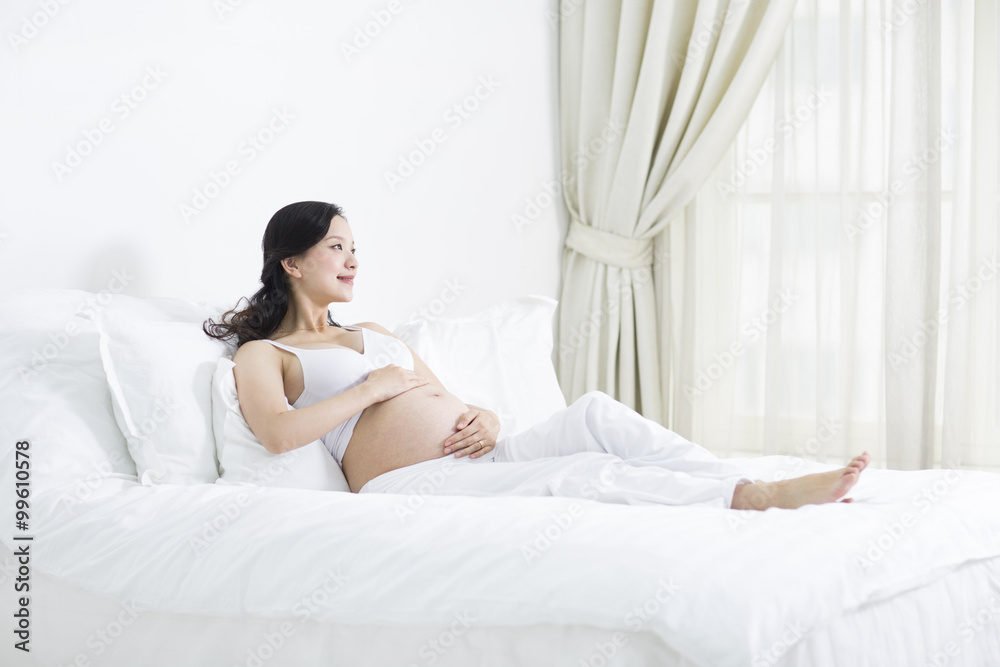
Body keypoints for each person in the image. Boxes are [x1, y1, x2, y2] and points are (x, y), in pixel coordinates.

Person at [203, 201, 870, 510]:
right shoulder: (268, 352)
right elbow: (278, 431)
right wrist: (368, 391)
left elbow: (447, 398)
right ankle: (751, 498)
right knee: (581, 473)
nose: (352, 259)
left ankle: (732, 478)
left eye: (354, 246)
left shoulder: (375, 329)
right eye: (335, 248)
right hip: (409, 483)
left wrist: (486, 416)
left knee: (596, 415)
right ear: (290, 262)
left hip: (481, 451)